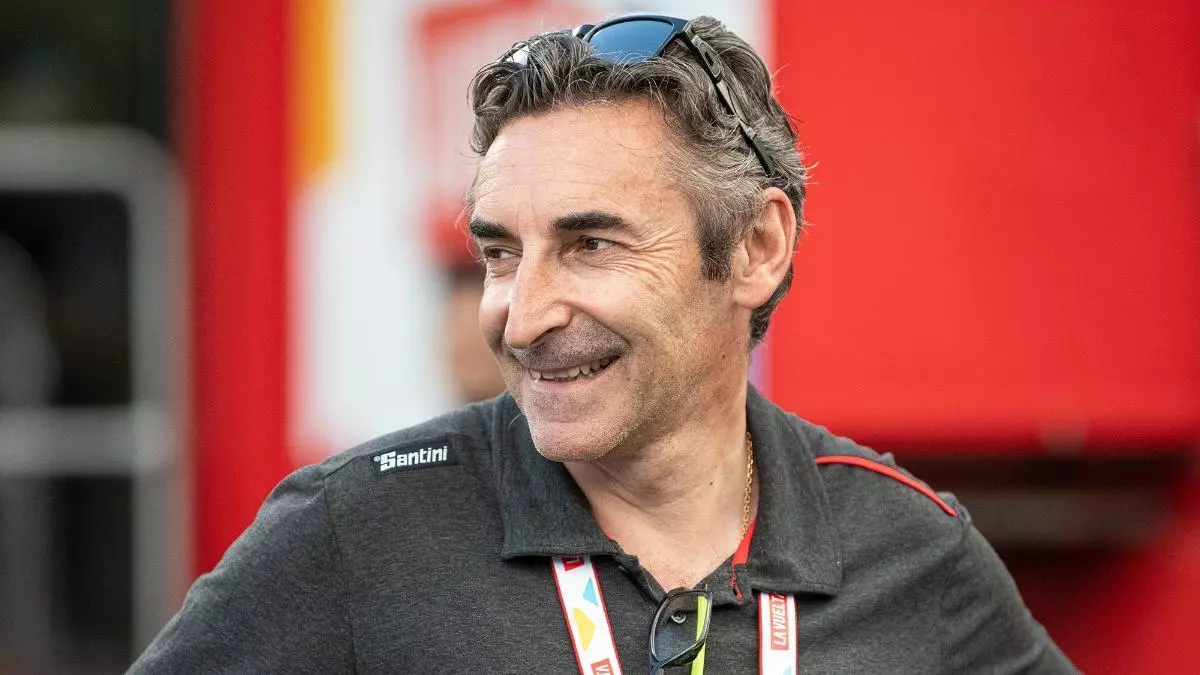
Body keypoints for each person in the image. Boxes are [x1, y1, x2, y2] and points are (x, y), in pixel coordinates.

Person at [132, 14, 1075, 673]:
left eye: (590, 244)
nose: (521, 316)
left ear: (757, 247)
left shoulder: (910, 548)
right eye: (501, 253)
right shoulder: (359, 529)